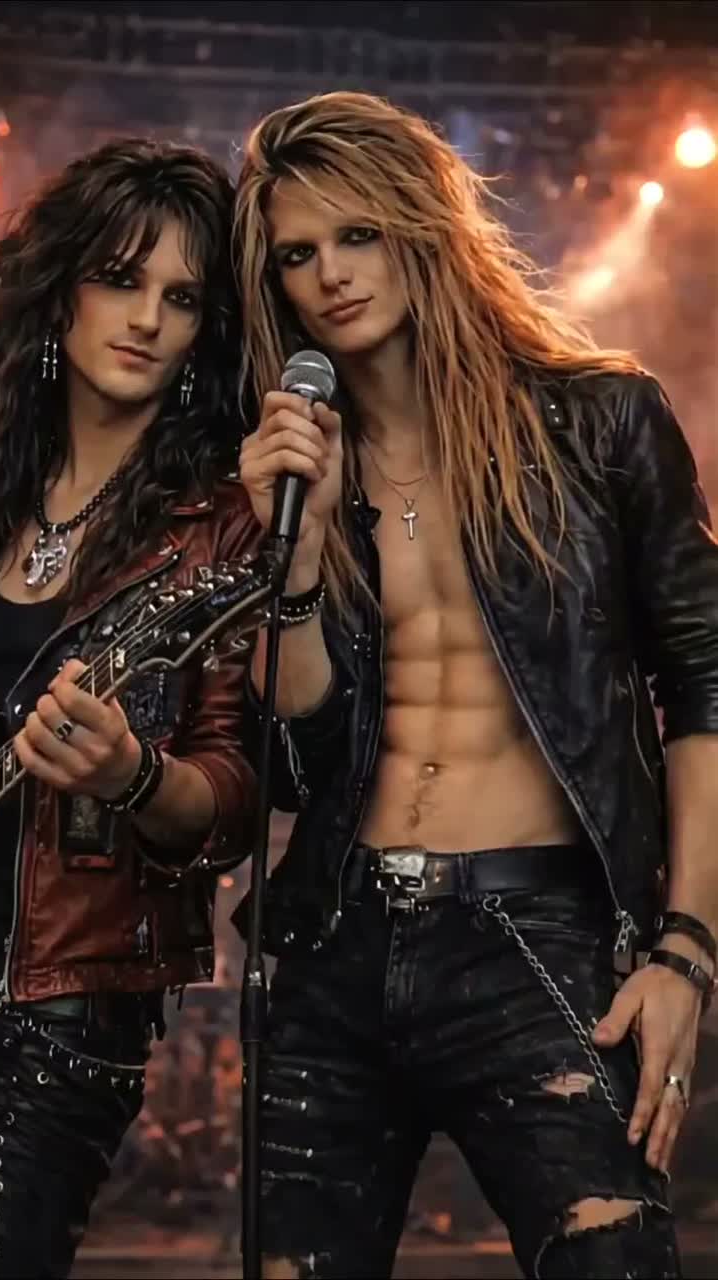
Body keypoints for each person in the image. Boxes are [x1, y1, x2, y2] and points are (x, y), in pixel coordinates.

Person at [234, 90, 718, 1279]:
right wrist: (295, 565)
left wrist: (687, 949)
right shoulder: (296, 470)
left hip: (536, 931)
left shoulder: (599, 420)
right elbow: (291, 765)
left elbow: (705, 684)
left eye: (359, 233)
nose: (331, 273)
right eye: (298, 253)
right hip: (338, 938)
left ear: (423, 225)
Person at [0, 138, 261, 1278]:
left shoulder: (224, 526)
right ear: (59, 291)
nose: (146, 318)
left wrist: (132, 776)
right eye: (120, 278)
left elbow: (235, 793)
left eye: (180, 298)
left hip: (55, 1011)